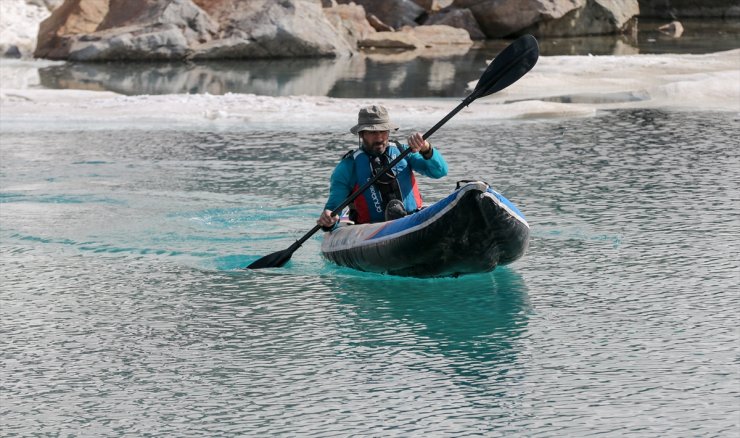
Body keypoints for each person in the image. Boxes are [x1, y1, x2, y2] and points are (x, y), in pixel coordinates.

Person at [317, 104, 448, 230]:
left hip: (412, 219)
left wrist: (426, 148)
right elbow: (333, 210)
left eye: (383, 131)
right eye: (372, 132)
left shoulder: (405, 152)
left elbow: (440, 172)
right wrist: (329, 221)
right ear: (361, 134)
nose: (379, 137)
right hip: (372, 230)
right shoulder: (347, 167)